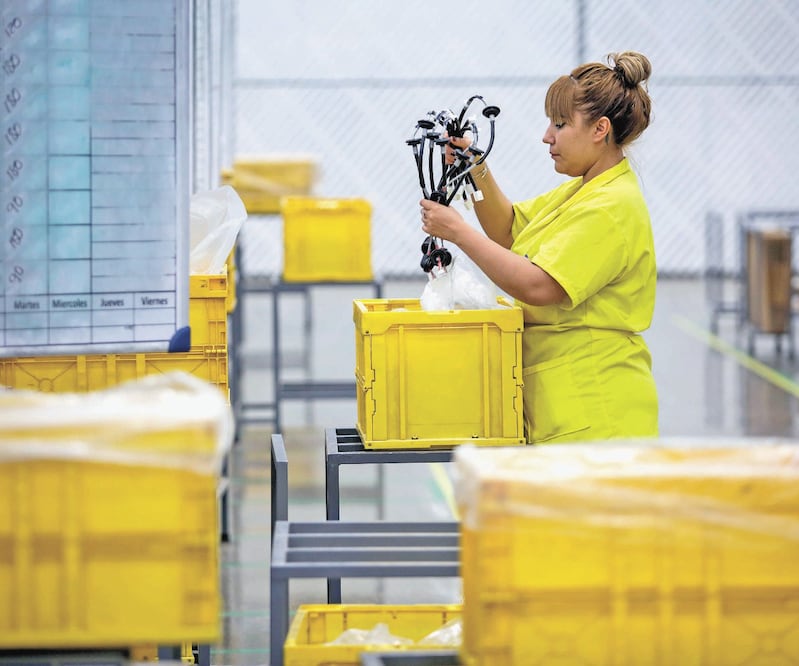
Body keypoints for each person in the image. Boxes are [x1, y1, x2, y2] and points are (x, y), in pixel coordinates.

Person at [419, 51, 658, 443]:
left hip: (599, 411)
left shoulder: (611, 207)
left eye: (560, 124)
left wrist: (459, 233)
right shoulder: (583, 191)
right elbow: (509, 230)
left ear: (600, 129)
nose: (548, 136)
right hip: (566, 407)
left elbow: (539, 286)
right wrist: (473, 165)